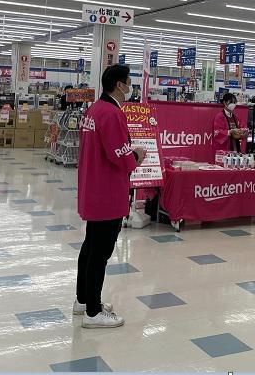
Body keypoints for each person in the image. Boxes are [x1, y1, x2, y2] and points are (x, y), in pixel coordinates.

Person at [75, 65, 146, 328]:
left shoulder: (94, 110)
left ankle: (83, 300)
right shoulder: (112, 114)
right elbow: (121, 156)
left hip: (93, 187)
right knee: (100, 253)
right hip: (108, 192)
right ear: (119, 85)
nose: (130, 87)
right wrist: (137, 155)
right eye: (128, 82)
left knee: (90, 247)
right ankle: (93, 313)